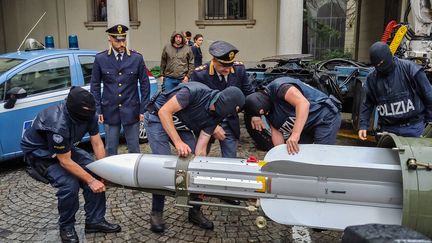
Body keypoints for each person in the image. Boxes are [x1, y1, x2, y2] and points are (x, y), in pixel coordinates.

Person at [21, 87, 121, 243]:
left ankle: (94, 221)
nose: (89, 115)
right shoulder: (57, 123)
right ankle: (66, 227)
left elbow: (96, 142)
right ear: (74, 110)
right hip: (42, 155)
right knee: (69, 185)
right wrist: (91, 181)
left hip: (65, 148)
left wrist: (102, 171)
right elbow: (65, 161)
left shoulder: (90, 114)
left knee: (95, 172)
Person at [144, 81, 245, 233]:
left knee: (196, 165)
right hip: (158, 118)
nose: (213, 112)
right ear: (220, 102)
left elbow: (201, 147)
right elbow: (164, 112)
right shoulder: (193, 92)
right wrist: (178, 142)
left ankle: (195, 210)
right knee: (162, 164)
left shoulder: (217, 115)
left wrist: (200, 167)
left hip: (181, 125)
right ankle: (156, 212)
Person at [90, 24, 150, 156]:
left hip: (132, 109)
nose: (121, 44)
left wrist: (143, 109)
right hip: (109, 110)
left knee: (134, 147)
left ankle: (134, 174)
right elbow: (94, 85)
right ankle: (111, 175)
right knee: (110, 148)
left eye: (123, 40)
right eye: (117, 41)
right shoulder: (101, 59)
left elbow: (145, 84)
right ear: (109, 39)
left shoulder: (136, 58)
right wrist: (98, 109)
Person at [245, 77, 342, 155]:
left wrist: (295, 134)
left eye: (265, 113)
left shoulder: (280, 87)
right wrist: (278, 156)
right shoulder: (267, 110)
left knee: (321, 155)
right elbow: (277, 133)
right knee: (296, 153)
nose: (266, 114)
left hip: (324, 117)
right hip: (306, 124)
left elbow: (303, 104)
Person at [191, 40, 254, 158]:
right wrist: (213, 127)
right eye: (222, 66)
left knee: (230, 159)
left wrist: (254, 113)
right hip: (206, 122)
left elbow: (249, 93)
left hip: (229, 122)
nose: (227, 70)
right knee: (199, 158)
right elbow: (195, 106)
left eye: (229, 65)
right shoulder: (200, 74)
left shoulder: (239, 69)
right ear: (213, 61)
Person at [358, 42, 432, 139]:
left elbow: (428, 95)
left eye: (382, 63)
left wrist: (429, 121)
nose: (380, 66)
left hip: (413, 128)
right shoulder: (372, 79)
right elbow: (367, 103)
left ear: (389, 56)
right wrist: (363, 125)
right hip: (388, 130)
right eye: (377, 65)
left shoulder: (410, 69)